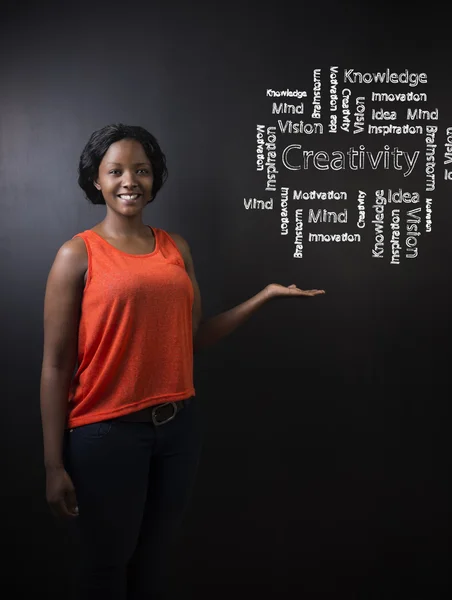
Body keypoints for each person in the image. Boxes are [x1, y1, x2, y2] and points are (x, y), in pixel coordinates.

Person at [40, 123, 325, 599]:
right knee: (106, 567)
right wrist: (53, 465)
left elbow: (191, 339)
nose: (130, 180)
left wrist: (264, 297)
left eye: (142, 170)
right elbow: (54, 365)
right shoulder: (77, 255)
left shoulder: (176, 248)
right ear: (97, 180)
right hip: (106, 433)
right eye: (116, 171)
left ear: (154, 179)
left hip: (178, 430)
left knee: (153, 565)